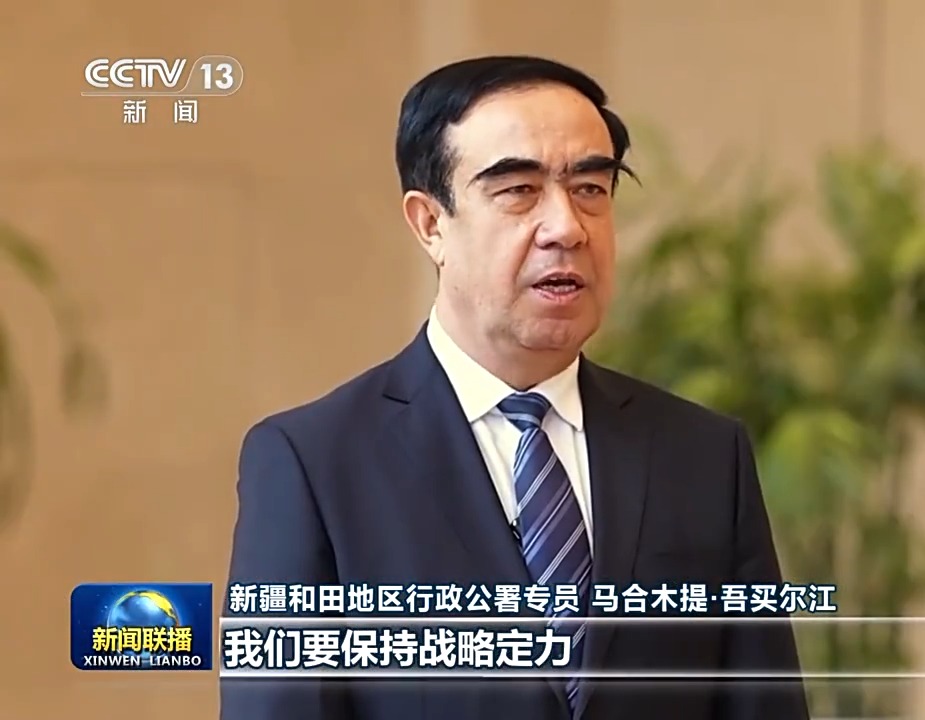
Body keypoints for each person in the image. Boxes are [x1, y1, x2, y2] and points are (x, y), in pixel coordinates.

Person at [220, 55, 810, 720]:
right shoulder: (314, 464)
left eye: (591, 188)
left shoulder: (702, 454)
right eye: (519, 190)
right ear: (430, 224)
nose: (566, 228)